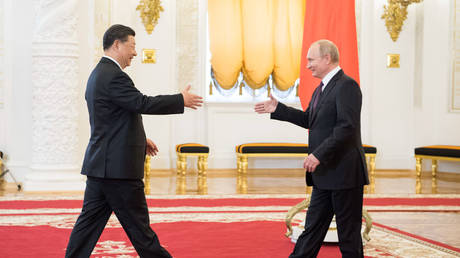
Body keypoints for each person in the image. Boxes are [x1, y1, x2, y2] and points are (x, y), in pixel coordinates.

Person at [65, 24, 203, 258]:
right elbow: (142, 103)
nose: (135, 53)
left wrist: (140, 139)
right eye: (133, 46)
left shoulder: (99, 73)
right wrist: (180, 99)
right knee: (141, 233)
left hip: (102, 167)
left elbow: (113, 118)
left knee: (86, 229)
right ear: (117, 44)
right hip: (118, 171)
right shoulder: (114, 76)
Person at [255, 39, 368, 258]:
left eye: (310, 59)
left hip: (345, 173)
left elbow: (347, 127)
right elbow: (310, 119)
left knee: (349, 235)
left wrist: (318, 154)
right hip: (325, 174)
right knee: (312, 230)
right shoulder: (321, 89)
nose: (307, 65)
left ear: (327, 58)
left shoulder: (347, 85)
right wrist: (279, 109)